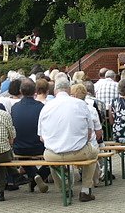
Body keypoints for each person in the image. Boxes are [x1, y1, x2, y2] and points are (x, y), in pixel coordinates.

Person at [37, 74, 98, 202]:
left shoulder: (46, 107)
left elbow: (41, 138)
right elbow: (89, 133)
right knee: (94, 152)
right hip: (78, 153)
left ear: (55, 91)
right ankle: (85, 190)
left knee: (51, 160)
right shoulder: (81, 104)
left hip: (53, 154)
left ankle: (64, 189)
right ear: (69, 90)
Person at [10, 78, 50, 192]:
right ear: (35, 91)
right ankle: (39, 175)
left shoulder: (14, 108)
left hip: (19, 148)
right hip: (39, 146)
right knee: (54, 155)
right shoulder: (42, 107)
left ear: (21, 91)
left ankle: (34, 176)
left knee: (23, 153)